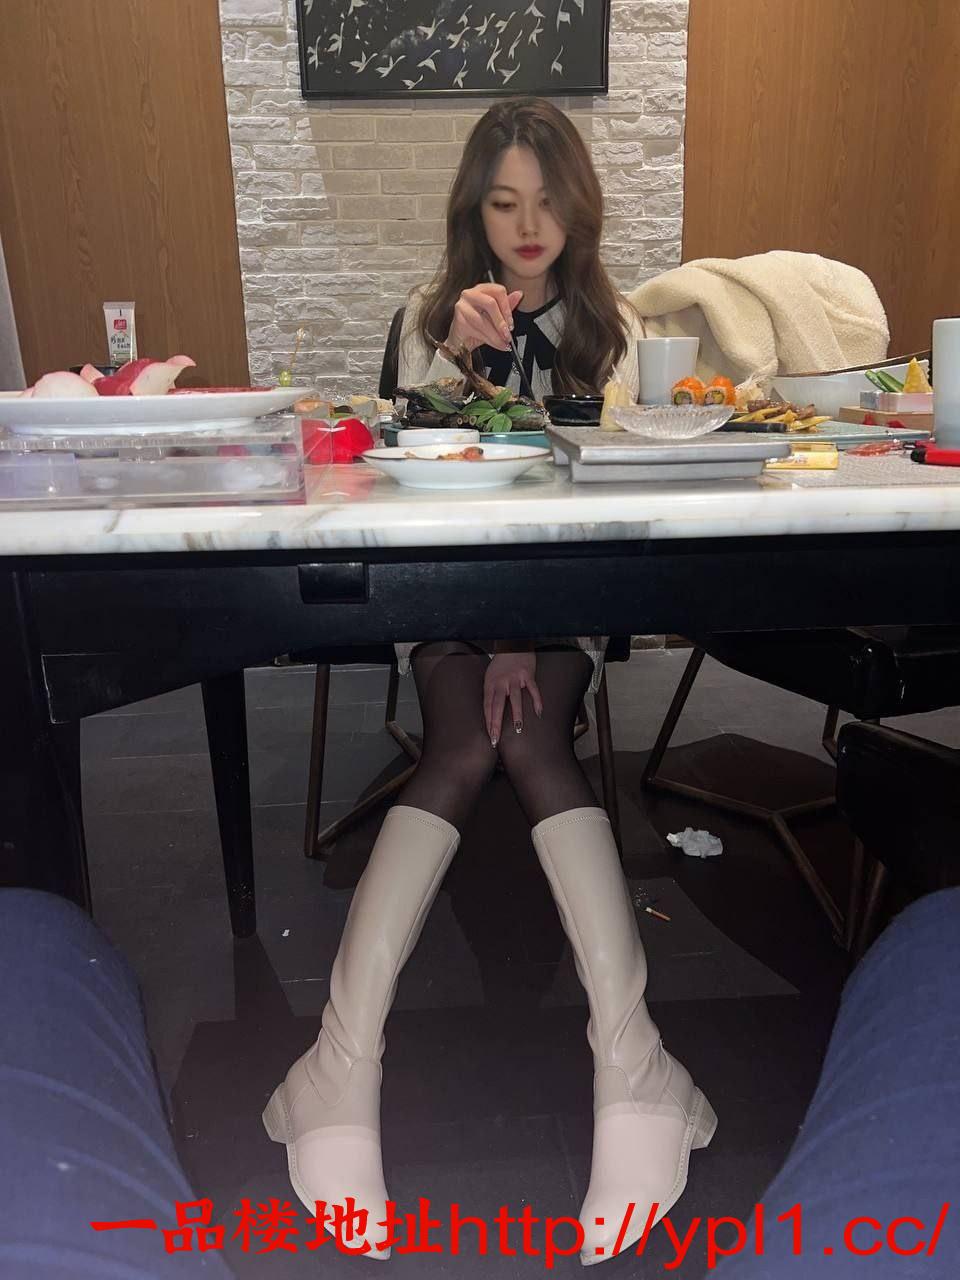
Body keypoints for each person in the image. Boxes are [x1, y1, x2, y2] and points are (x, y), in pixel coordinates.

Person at [263, 98, 710, 1265]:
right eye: (505, 202)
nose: (528, 225)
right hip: (445, 595)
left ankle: (632, 1062)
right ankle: (342, 1064)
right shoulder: (429, 317)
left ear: (578, 206)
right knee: (469, 740)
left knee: (524, 738)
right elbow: (418, 484)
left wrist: (526, 630)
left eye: (547, 201)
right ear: (476, 209)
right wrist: (468, 368)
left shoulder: (615, 328)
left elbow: (609, 493)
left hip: (560, 598)